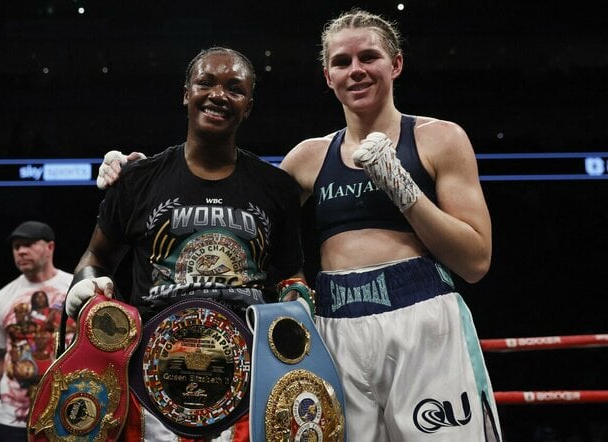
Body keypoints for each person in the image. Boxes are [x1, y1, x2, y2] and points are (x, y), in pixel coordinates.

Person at [97, 10, 503, 440]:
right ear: (327, 75)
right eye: (342, 62)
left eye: (369, 57)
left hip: (424, 318)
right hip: (336, 327)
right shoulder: (306, 158)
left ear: (396, 64)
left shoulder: (440, 138)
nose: (356, 70)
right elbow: (237, 194)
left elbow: (475, 260)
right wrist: (138, 177)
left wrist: (401, 187)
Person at [62, 47, 306, 441]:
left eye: (235, 88)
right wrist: (85, 286)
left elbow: (291, 274)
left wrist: (298, 301)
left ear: (249, 105)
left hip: (250, 380)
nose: (219, 95)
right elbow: (96, 256)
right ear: (186, 93)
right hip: (151, 378)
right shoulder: (138, 179)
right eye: (205, 82)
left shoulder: (275, 188)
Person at [0, 220, 73, 441]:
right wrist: (22, 383)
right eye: (16, 246)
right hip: (14, 419)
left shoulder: (75, 289)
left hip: (70, 414)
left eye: (28, 244)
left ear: (50, 247)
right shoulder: (0, 300)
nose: (21, 251)